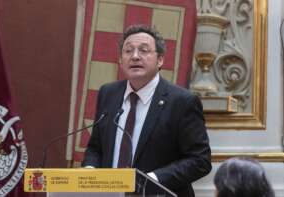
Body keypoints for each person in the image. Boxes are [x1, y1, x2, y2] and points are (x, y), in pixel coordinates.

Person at [83, 24, 211, 196]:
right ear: (120, 60)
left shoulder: (182, 101)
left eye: (144, 50)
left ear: (160, 60)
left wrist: (151, 180)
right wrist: (89, 170)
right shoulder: (108, 93)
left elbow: (200, 160)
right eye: (128, 51)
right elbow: (96, 147)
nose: (135, 56)